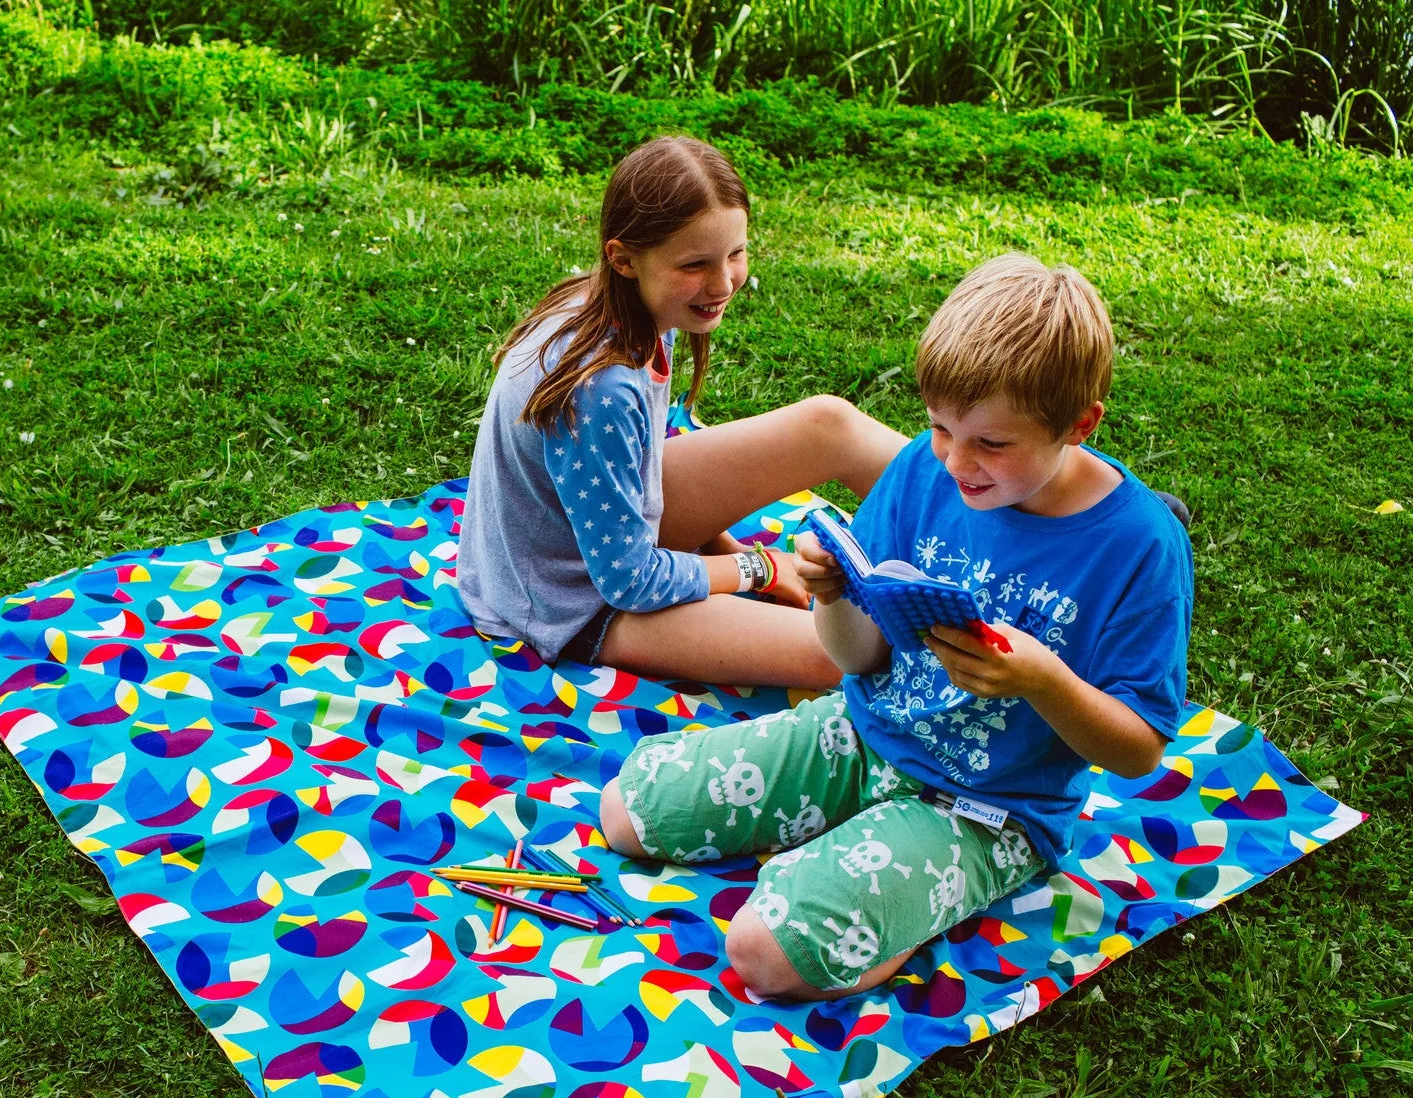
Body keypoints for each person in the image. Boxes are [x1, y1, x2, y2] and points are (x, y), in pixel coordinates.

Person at [600, 253, 1194, 1001]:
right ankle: (851, 857)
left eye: (991, 444)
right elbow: (854, 658)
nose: (956, 462)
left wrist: (1040, 678)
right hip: (862, 734)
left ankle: (896, 909)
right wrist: (832, 595)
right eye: (941, 428)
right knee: (629, 812)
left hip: (987, 809)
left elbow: (1139, 749)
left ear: (1079, 425)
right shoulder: (924, 468)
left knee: (763, 954)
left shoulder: (1138, 547)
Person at [453, 135, 907, 689]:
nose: (723, 284)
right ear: (623, 258)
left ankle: (997, 526)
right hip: (571, 598)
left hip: (613, 543)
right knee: (846, 652)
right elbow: (629, 582)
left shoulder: (624, 303)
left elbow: (638, 470)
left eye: (735, 254)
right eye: (695, 264)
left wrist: (728, 550)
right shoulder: (601, 387)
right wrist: (758, 569)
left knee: (830, 425)